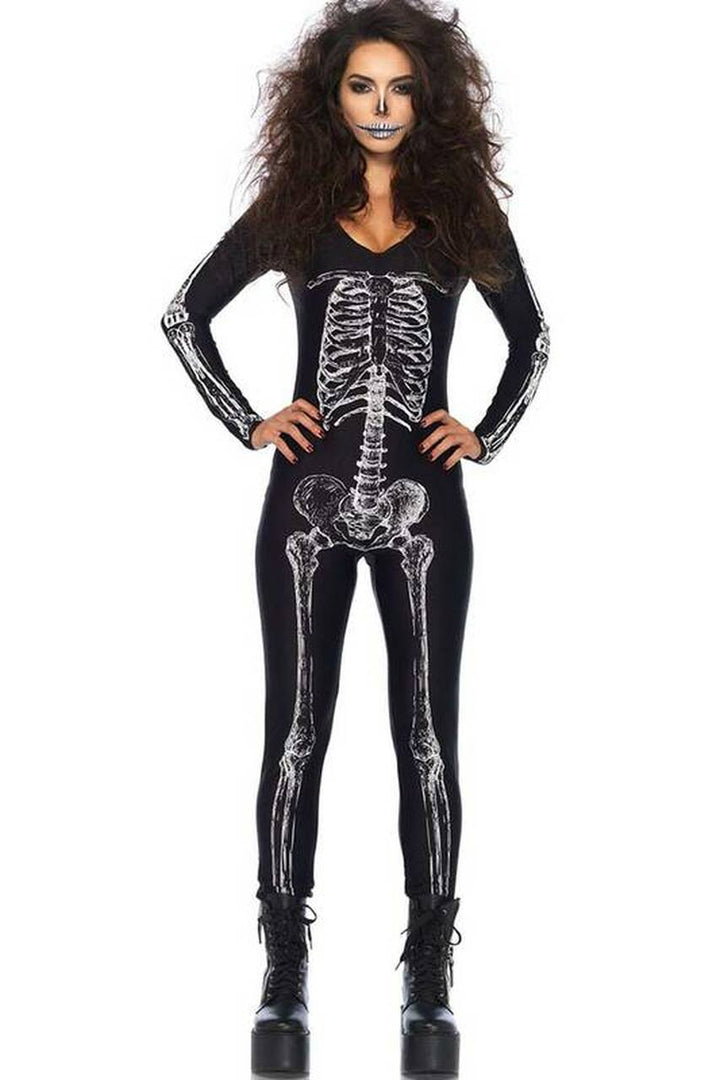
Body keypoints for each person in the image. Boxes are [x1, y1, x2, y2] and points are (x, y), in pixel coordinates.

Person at [160, 1, 550, 1074]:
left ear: (429, 100)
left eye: (400, 88)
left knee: (426, 735)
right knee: (296, 730)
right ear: (331, 99)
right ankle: (284, 975)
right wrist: (250, 419)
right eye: (361, 87)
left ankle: (430, 980)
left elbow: (533, 337)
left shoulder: (460, 214)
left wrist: (484, 433)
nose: (381, 108)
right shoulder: (296, 208)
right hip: (308, 504)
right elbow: (185, 316)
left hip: (426, 506)